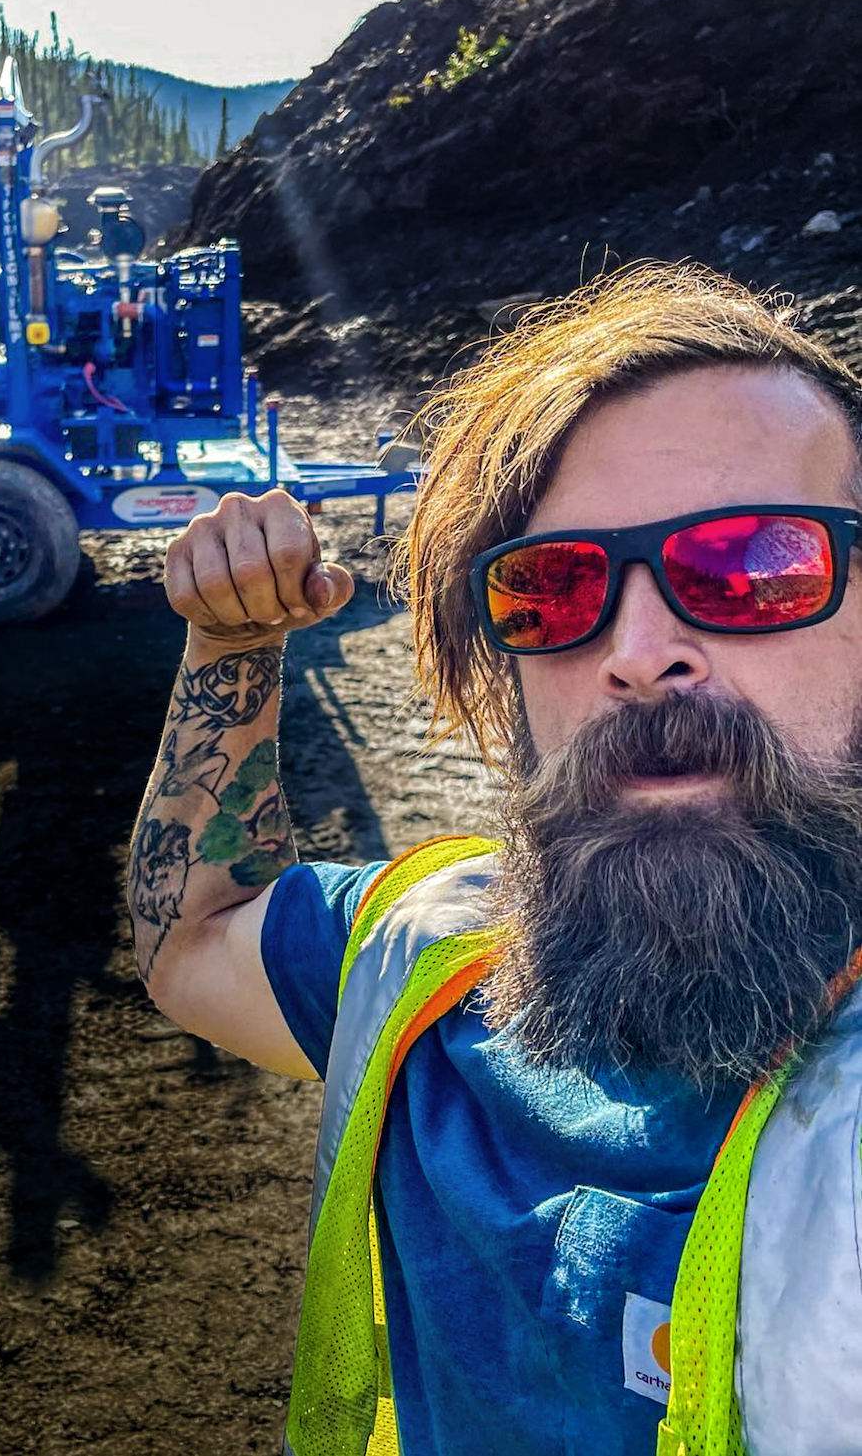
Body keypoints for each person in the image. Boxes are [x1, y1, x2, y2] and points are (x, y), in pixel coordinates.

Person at [126, 264, 862, 1456]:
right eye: (555, 589)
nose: (639, 652)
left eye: (752, 566)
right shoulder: (424, 952)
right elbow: (192, 939)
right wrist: (230, 642)